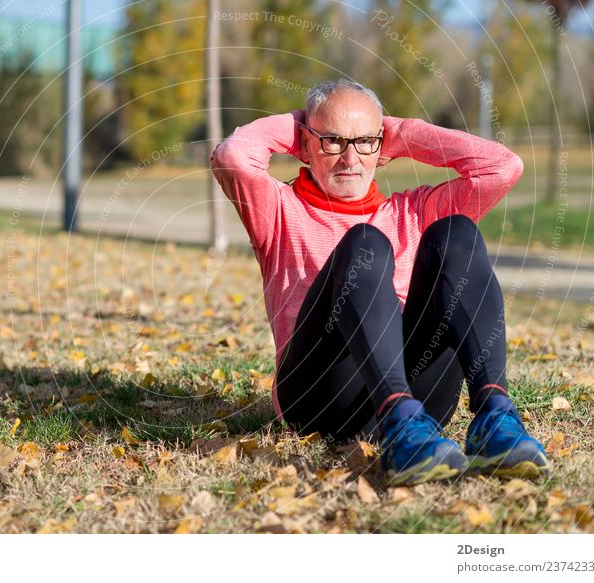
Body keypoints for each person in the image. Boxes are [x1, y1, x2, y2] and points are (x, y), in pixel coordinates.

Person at [210, 79, 549, 486]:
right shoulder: (279, 209)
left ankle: (495, 418)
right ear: (304, 145)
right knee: (365, 244)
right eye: (332, 141)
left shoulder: (414, 210)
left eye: (366, 141)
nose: (350, 157)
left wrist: (400, 134)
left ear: (381, 148)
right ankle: (399, 421)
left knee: (456, 233)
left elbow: (502, 166)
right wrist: (302, 127)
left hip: (421, 397)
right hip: (320, 398)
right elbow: (232, 156)